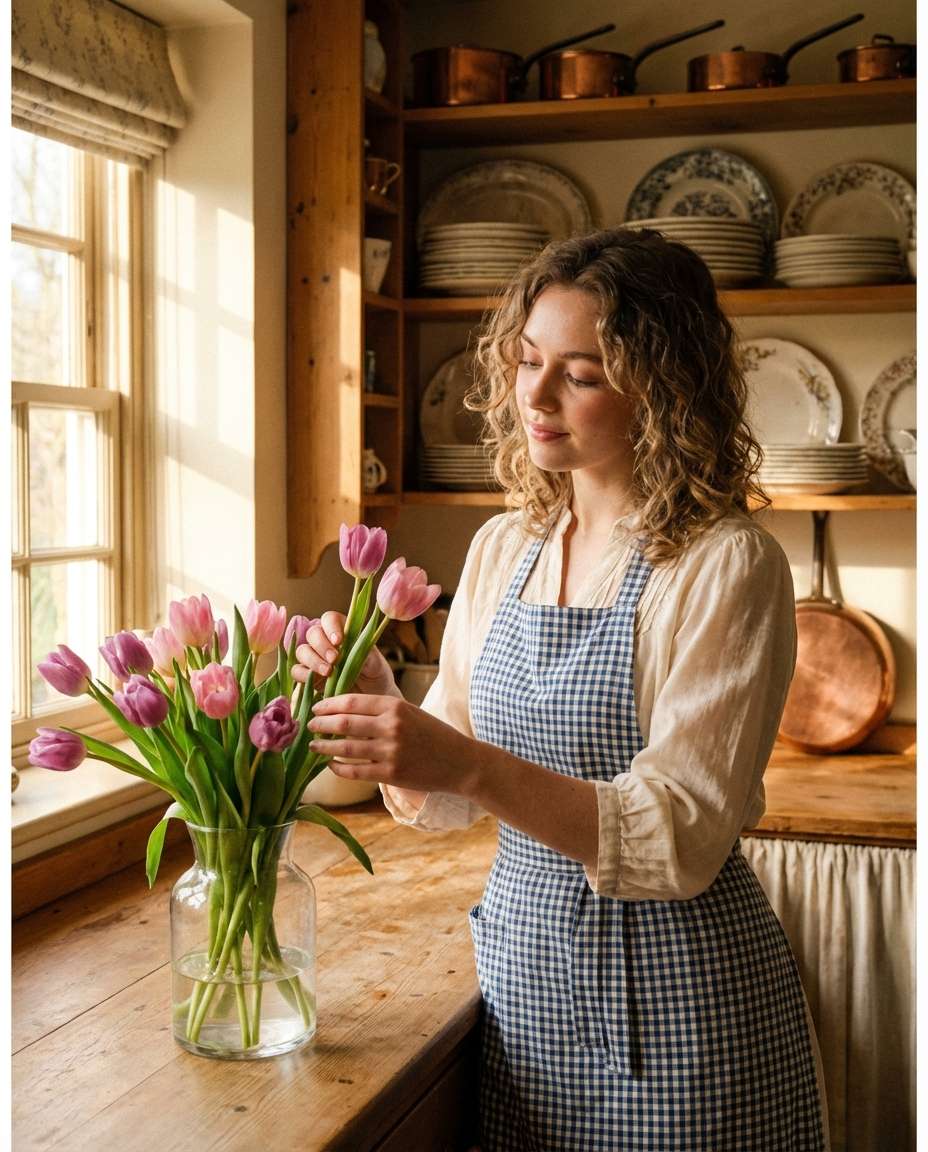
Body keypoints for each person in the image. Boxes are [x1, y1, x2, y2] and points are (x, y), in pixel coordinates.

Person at [295, 228, 829, 1152]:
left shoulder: (724, 564)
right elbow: (446, 791)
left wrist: (457, 757)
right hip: (530, 986)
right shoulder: (507, 549)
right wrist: (386, 705)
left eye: (580, 374)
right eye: (529, 361)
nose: (535, 396)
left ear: (661, 389)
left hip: (680, 1008)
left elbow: (675, 836)